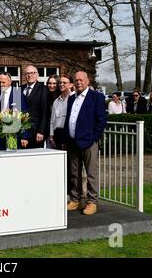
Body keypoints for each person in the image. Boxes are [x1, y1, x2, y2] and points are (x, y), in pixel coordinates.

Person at [63, 71, 107, 216]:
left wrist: (93, 137)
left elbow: (101, 121)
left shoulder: (96, 97)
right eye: (76, 80)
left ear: (87, 81)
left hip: (89, 143)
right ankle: (75, 199)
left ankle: (92, 202)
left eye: (81, 80)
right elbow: (68, 119)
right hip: (73, 142)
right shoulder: (71, 99)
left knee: (91, 174)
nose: (78, 82)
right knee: (74, 173)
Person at [0, 72, 28, 149]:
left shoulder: (17, 94)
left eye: (3, 82)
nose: (1, 84)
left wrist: (24, 136)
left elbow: (23, 116)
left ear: (10, 82)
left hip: (14, 134)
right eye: (0, 82)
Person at [20, 65, 48, 148]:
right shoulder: (19, 89)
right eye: (27, 73)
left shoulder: (44, 89)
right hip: (21, 132)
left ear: (37, 75)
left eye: (32, 73)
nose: (30, 75)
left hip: (36, 132)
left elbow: (45, 112)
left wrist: (41, 131)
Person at [49, 74, 74, 150]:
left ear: (71, 85)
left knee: (70, 160)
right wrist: (51, 136)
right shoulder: (56, 101)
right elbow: (52, 121)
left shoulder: (74, 99)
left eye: (64, 83)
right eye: (60, 82)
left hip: (69, 134)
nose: (61, 84)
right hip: (57, 135)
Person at [45, 74, 61, 148]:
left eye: (54, 83)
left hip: (57, 131)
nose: (51, 86)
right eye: (49, 83)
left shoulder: (61, 97)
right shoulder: (46, 96)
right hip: (48, 131)